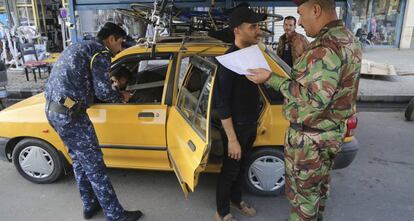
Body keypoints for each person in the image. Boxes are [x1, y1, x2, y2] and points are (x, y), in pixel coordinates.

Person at [246, 0, 362, 220]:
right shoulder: (348, 39)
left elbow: (314, 98)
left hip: (310, 138)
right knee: (318, 191)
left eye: (300, 14)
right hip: (331, 132)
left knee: (303, 201)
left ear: (316, 10)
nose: (299, 22)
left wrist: (271, 79)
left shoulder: (324, 46)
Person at [44, 22, 143, 221]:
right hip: (72, 116)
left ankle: (90, 205)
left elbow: (82, 81)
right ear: (111, 39)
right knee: (95, 165)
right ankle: (115, 215)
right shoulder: (101, 53)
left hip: (54, 110)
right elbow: (103, 90)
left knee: (80, 161)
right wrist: (120, 97)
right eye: (120, 42)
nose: (120, 48)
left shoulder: (79, 45)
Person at [213, 6, 266, 221]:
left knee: (242, 167)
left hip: (250, 124)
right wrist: (232, 139)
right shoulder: (228, 62)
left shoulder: (251, 53)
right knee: (230, 171)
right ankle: (222, 211)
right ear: (237, 30)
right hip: (235, 128)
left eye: (258, 26)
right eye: (253, 26)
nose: (258, 30)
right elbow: (222, 104)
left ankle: (236, 199)